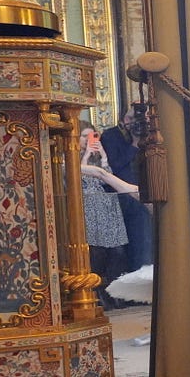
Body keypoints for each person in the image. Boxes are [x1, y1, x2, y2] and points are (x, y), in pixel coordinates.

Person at [79, 122, 139, 305]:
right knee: (96, 254)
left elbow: (107, 178)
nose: (88, 140)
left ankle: (117, 293)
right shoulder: (68, 157)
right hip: (87, 209)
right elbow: (77, 179)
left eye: (92, 136)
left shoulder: (96, 157)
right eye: (84, 136)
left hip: (105, 208)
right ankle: (96, 293)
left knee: (117, 252)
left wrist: (103, 157)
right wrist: (85, 157)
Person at [100, 108, 154, 275]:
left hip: (141, 195)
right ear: (123, 119)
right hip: (118, 198)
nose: (134, 123)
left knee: (143, 240)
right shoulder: (111, 136)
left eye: (139, 119)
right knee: (119, 251)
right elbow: (115, 165)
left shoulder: (150, 135)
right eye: (131, 118)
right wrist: (134, 144)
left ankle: (144, 273)